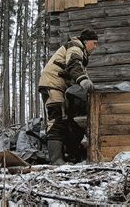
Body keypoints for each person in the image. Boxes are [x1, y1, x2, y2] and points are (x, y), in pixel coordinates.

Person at [38, 28, 99, 165]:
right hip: (52, 85)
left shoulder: (80, 52)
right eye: (94, 43)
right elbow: (73, 65)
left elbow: (79, 71)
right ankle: (56, 160)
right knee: (56, 119)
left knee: (68, 121)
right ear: (86, 41)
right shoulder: (75, 47)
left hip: (59, 87)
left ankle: (68, 155)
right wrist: (83, 80)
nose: (95, 47)